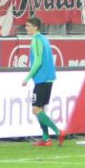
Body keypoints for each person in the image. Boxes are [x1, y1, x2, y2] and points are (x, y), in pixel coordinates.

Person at [22, 16, 63, 147]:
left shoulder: (36, 40)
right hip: (48, 78)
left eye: (28, 26)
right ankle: (46, 139)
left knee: (35, 110)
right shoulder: (44, 39)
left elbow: (38, 61)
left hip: (42, 79)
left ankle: (58, 132)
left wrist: (28, 77)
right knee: (41, 109)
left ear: (35, 27)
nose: (26, 28)